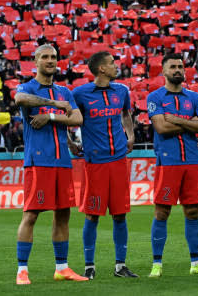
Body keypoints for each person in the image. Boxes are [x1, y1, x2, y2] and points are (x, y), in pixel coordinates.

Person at [13, 44, 87, 285]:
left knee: (63, 214)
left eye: (53, 57)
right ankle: (22, 270)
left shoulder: (64, 91)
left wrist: (50, 116)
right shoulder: (27, 87)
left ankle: (62, 268)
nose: (50, 60)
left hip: (62, 161)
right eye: (44, 57)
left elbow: (77, 118)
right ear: (35, 62)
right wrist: (54, 105)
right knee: (31, 214)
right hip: (38, 161)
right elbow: (19, 99)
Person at [70, 51, 138, 279]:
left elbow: (126, 114)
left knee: (120, 215)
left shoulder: (122, 91)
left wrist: (130, 135)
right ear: (101, 69)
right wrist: (70, 143)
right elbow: (66, 119)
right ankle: (89, 266)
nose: (116, 66)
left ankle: (121, 266)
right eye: (112, 63)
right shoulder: (80, 94)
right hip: (95, 163)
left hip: (119, 160)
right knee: (92, 215)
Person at [146, 54, 198, 277]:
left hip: (192, 162)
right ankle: (157, 264)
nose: (177, 70)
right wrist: (191, 123)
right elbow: (162, 128)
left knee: (193, 211)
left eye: (180, 67)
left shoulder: (194, 97)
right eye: (173, 67)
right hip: (168, 162)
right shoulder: (155, 97)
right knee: (162, 211)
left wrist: (176, 119)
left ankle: (196, 263)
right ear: (163, 72)